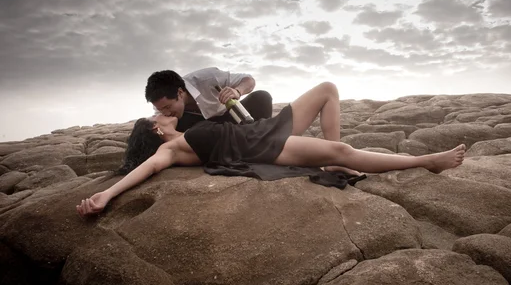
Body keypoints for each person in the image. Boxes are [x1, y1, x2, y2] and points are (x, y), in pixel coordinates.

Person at [76, 82, 466, 217]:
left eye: (160, 111)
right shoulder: (171, 150)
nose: (159, 115)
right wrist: (106, 194)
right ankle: (425, 161)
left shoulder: (188, 129)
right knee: (343, 151)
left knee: (328, 89)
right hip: (261, 146)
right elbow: (143, 170)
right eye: (155, 119)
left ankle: (330, 158)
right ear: (156, 134)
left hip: (262, 129)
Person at [145, 67, 273, 131]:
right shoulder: (161, 104)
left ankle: (262, 136)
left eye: (168, 107)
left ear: (180, 92)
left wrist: (237, 91)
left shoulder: (208, 77)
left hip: (229, 116)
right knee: (178, 123)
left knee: (262, 97)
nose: (166, 113)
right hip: (199, 129)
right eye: (160, 109)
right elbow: (162, 128)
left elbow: (248, 80)